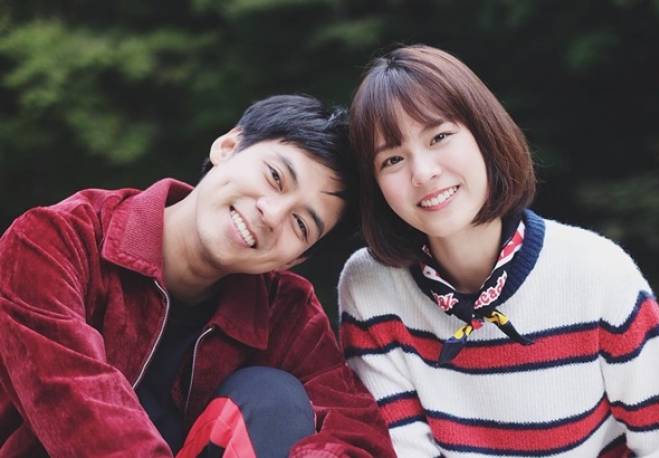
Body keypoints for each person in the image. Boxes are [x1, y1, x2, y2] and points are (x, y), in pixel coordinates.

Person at [0, 94, 395, 457]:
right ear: (227, 146)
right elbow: (70, 397)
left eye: (301, 224)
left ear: (295, 259)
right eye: (275, 178)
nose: (272, 215)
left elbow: (358, 432)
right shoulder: (54, 240)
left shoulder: (285, 312)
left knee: (274, 398)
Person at [338, 45, 659, 457]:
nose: (423, 173)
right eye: (392, 159)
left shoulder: (596, 273)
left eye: (439, 137)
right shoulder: (371, 288)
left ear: (484, 134)